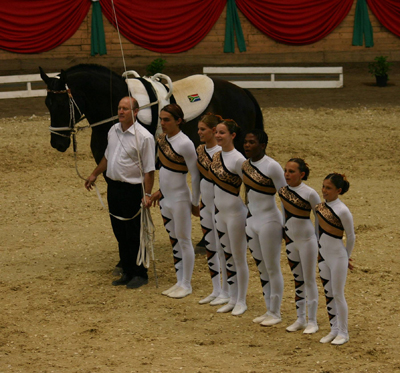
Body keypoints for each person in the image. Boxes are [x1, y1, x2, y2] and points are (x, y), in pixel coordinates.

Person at [85, 96, 155, 289]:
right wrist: (94, 174)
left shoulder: (144, 137)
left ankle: (140, 273)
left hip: (133, 189)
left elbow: (149, 170)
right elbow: (107, 157)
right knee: (119, 231)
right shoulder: (113, 130)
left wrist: (147, 195)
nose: (121, 112)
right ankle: (127, 270)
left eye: (125, 108)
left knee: (134, 232)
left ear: (136, 112)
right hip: (114, 188)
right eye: (119, 108)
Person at [151, 104, 200, 299]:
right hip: (166, 199)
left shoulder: (185, 143)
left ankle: (186, 283)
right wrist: (159, 192)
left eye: (167, 120)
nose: (162, 123)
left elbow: (194, 175)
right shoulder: (162, 139)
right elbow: (165, 171)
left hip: (180, 199)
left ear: (178, 121)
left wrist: (195, 202)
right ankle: (179, 280)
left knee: (184, 240)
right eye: (161, 119)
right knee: (174, 242)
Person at [242, 130, 286, 326]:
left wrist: (287, 224)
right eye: (245, 142)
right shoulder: (245, 165)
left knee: (272, 267)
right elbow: (247, 192)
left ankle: (276, 312)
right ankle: (269, 308)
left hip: (270, 222)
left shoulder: (272, 166)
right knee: (261, 268)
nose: (247, 145)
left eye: (252, 142)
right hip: (253, 221)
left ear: (263, 145)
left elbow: (285, 197)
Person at [209, 119, 249, 316]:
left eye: (222, 133)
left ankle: (241, 300)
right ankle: (231, 296)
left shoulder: (238, 159)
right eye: (216, 132)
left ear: (232, 135)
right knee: (225, 255)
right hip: (220, 213)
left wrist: (252, 211)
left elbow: (249, 187)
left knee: (239, 257)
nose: (217, 135)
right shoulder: (216, 156)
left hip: (235, 214)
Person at [278, 158, 320, 333]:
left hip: (307, 241)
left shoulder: (310, 193)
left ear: (302, 174)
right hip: (291, 240)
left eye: (291, 171)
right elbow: (283, 213)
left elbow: (320, 219)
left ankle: (313, 321)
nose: (287, 174)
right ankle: (300, 318)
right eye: (285, 170)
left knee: (309, 279)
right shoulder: (282, 191)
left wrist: (319, 242)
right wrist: (283, 232)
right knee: (297, 279)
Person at [316, 173, 355, 345]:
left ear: (338, 190)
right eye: (323, 186)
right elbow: (318, 231)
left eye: (328, 188)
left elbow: (351, 235)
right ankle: (334, 328)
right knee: (328, 293)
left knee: (338, 294)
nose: (324, 190)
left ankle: (344, 332)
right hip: (323, 255)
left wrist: (346, 256)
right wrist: (319, 250)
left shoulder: (342, 210)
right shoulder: (319, 208)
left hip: (338, 256)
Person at [196, 113, 227, 305]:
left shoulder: (221, 152)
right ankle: (216, 288)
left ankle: (227, 290)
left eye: (202, 129)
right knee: (210, 246)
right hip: (205, 204)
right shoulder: (200, 149)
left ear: (214, 131)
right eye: (198, 129)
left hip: (220, 205)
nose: (198, 132)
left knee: (223, 248)